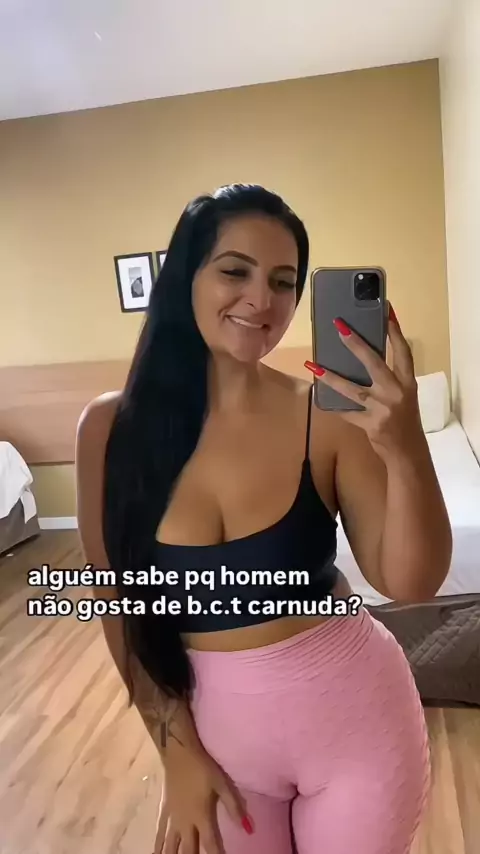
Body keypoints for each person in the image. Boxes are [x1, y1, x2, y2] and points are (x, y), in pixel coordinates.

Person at [75, 183, 452, 854]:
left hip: (358, 730)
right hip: (220, 749)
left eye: (283, 281)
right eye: (235, 271)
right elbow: (118, 605)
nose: (262, 300)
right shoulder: (109, 430)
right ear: (185, 277)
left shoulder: (325, 416)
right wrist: (174, 751)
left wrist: (405, 444)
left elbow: (411, 582)